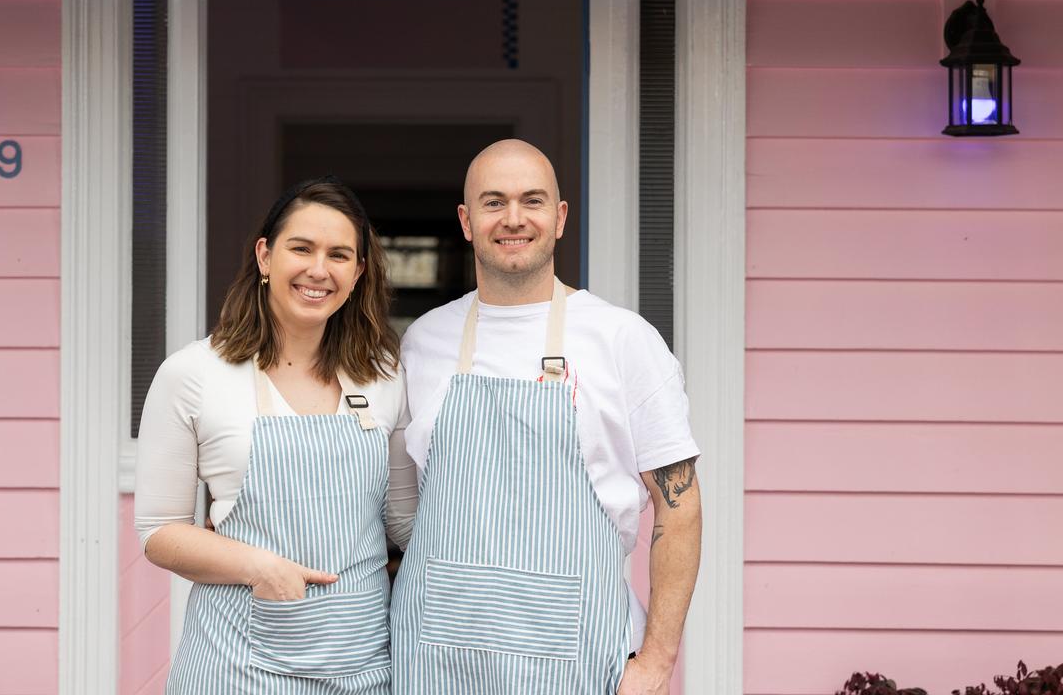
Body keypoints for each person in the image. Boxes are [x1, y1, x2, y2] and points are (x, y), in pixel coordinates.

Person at [390, 140, 702, 695]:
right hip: (436, 661)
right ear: (465, 221)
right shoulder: (423, 341)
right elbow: (405, 507)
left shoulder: (623, 340)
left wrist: (656, 661)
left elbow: (679, 511)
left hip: (580, 662)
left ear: (559, 218)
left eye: (532, 201)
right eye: (493, 202)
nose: (514, 219)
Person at [134, 177, 416, 694]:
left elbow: (403, 520)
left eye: (339, 255)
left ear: (357, 274)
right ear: (265, 256)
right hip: (236, 663)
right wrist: (257, 567)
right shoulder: (195, 374)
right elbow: (159, 532)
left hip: (361, 664)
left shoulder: (382, 374)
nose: (318, 269)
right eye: (301, 248)